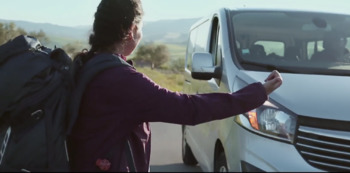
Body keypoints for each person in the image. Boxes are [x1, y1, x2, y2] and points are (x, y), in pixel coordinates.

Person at [67, 0, 283, 172]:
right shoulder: (122, 80)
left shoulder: (87, 64)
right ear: (132, 30)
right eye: (141, 29)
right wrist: (256, 93)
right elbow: (189, 108)